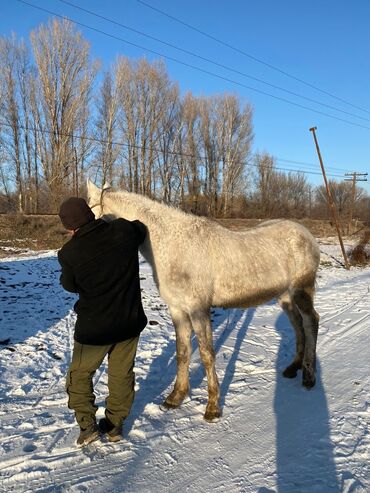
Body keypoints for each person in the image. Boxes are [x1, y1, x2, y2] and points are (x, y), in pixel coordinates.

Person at [57, 197, 147, 447]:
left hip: (94, 329)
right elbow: (139, 228)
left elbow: (70, 285)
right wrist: (112, 220)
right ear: (91, 213)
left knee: (79, 376)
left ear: (68, 227)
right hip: (129, 322)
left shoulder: (69, 253)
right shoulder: (123, 231)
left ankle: (88, 426)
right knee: (121, 374)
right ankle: (115, 424)